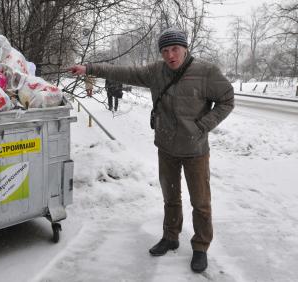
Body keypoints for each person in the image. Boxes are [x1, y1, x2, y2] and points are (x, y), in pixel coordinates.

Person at [68, 27, 234, 273]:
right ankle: (170, 236)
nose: (170, 55)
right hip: (166, 147)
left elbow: (227, 99)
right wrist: (90, 68)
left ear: (185, 48)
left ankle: (200, 246)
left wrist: (202, 126)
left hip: (195, 150)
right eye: (165, 51)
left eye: (175, 49)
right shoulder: (156, 72)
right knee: (170, 197)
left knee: (200, 202)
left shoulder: (206, 71)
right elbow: (123, 72)